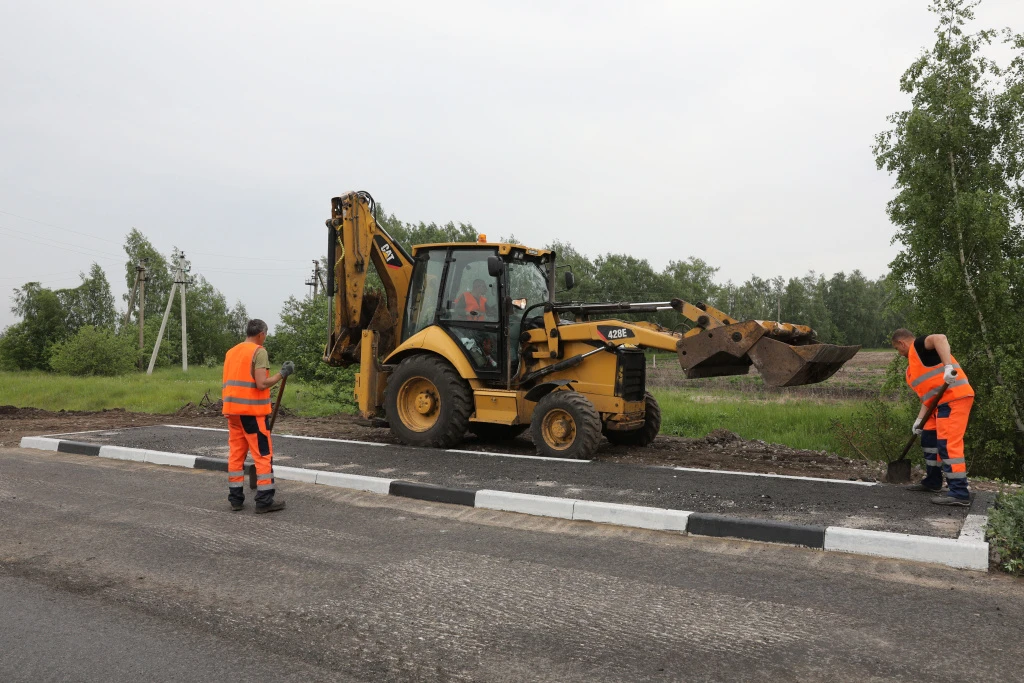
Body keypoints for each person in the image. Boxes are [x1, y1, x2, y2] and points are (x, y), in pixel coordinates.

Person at [891, 328, 974, 506]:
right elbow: (928, 397)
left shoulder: (919, 346)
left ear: (902, 343)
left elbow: (941, 337)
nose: (899, 354)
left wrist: (948, 367)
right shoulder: (913, 368)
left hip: (954, 397)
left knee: (948, 445)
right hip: (939, 404)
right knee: (929, 438)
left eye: (898, 350)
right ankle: (933, 482)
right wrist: (919, 420)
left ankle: (959, 492)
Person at [221, 319, 294, 514]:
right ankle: (264, 500)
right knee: (263, 455)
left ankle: (235, 499)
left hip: (233, 412)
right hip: (252, 413)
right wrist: (282, 374)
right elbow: (261, 383)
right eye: (266, 335)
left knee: (236, 455)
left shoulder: (231, 352)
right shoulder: (258, 351)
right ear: (261, 334)